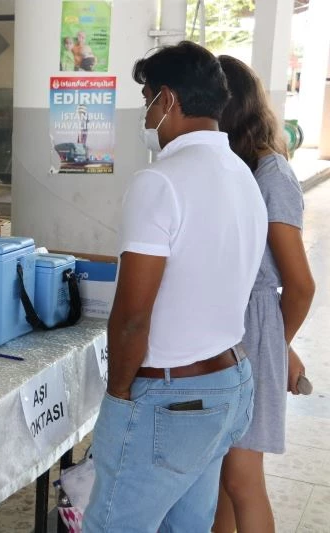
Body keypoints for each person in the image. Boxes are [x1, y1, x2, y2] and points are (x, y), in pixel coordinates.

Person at [82, 41, 267, 532]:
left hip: (171, 397)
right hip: (228, 385)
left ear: (167, 99)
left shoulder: (161, 182)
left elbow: (133, 314)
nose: (145, 115)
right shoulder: (243, 176)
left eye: (146, 99)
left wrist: (119, 396)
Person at [212, 56, 315, 533]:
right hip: (235, 327)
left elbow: (301, 284)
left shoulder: (271, 174)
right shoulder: (235, 165)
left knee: (242, 478)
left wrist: (279, 343)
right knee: (224, 479)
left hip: (253, 330)